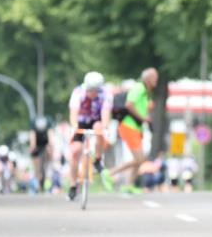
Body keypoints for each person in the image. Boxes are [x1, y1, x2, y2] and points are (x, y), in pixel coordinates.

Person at [67, 71, 111, 201]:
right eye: (90, 90)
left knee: (99, 128)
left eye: (95, 90)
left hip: (96, 120)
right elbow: (73, 112)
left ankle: (97, 158)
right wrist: (74, 126)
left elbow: (106, 112)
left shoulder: (106, 94)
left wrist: (105, 127)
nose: (92, 93)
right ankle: (73, 184)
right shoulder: (78, 92)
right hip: (81, 121)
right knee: (75, 150)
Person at [110, 68, 158, 188]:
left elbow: (143, 107)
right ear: (147, 78)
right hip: (129, 126)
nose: (156, 80)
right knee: (140, 158)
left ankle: (129, 185)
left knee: (140, 158)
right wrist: (143, 118)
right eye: (154, 77)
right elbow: (129, 104)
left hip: (137, 128)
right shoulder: (139, 88)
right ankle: (111, 173)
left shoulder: (146, 92)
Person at [29, 116, 54, 193]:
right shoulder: (33, 126)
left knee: (49, 158)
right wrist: (32, 147)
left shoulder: (48, 124)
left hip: (45, 143)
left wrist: (51, 146)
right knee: (36, 164)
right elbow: (32, 137)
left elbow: (51, 136)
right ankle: (37, 181)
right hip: (37, 144)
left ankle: (47, 181)